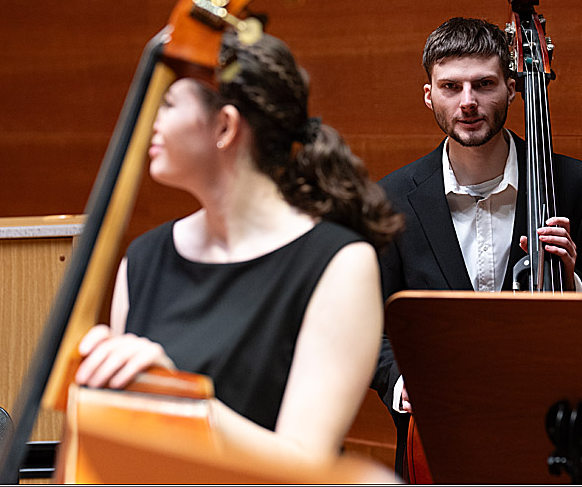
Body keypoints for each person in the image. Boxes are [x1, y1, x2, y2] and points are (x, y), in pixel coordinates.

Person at [74, 29, 404, 470]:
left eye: (168, 105)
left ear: (225, 126)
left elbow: (305, 466)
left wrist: (181, 401)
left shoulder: (339, 262)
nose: (150, 120)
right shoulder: (144, 258)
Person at [372, 17, 582, 471]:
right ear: (429, 95)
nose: (468, 102)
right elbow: (368, 327)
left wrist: (572, 285)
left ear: (513, 87)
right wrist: (400, 382)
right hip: (436, 445)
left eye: (484, 84)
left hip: (549, 440)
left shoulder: (576, 185)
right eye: (451, 87)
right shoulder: (389, 201)